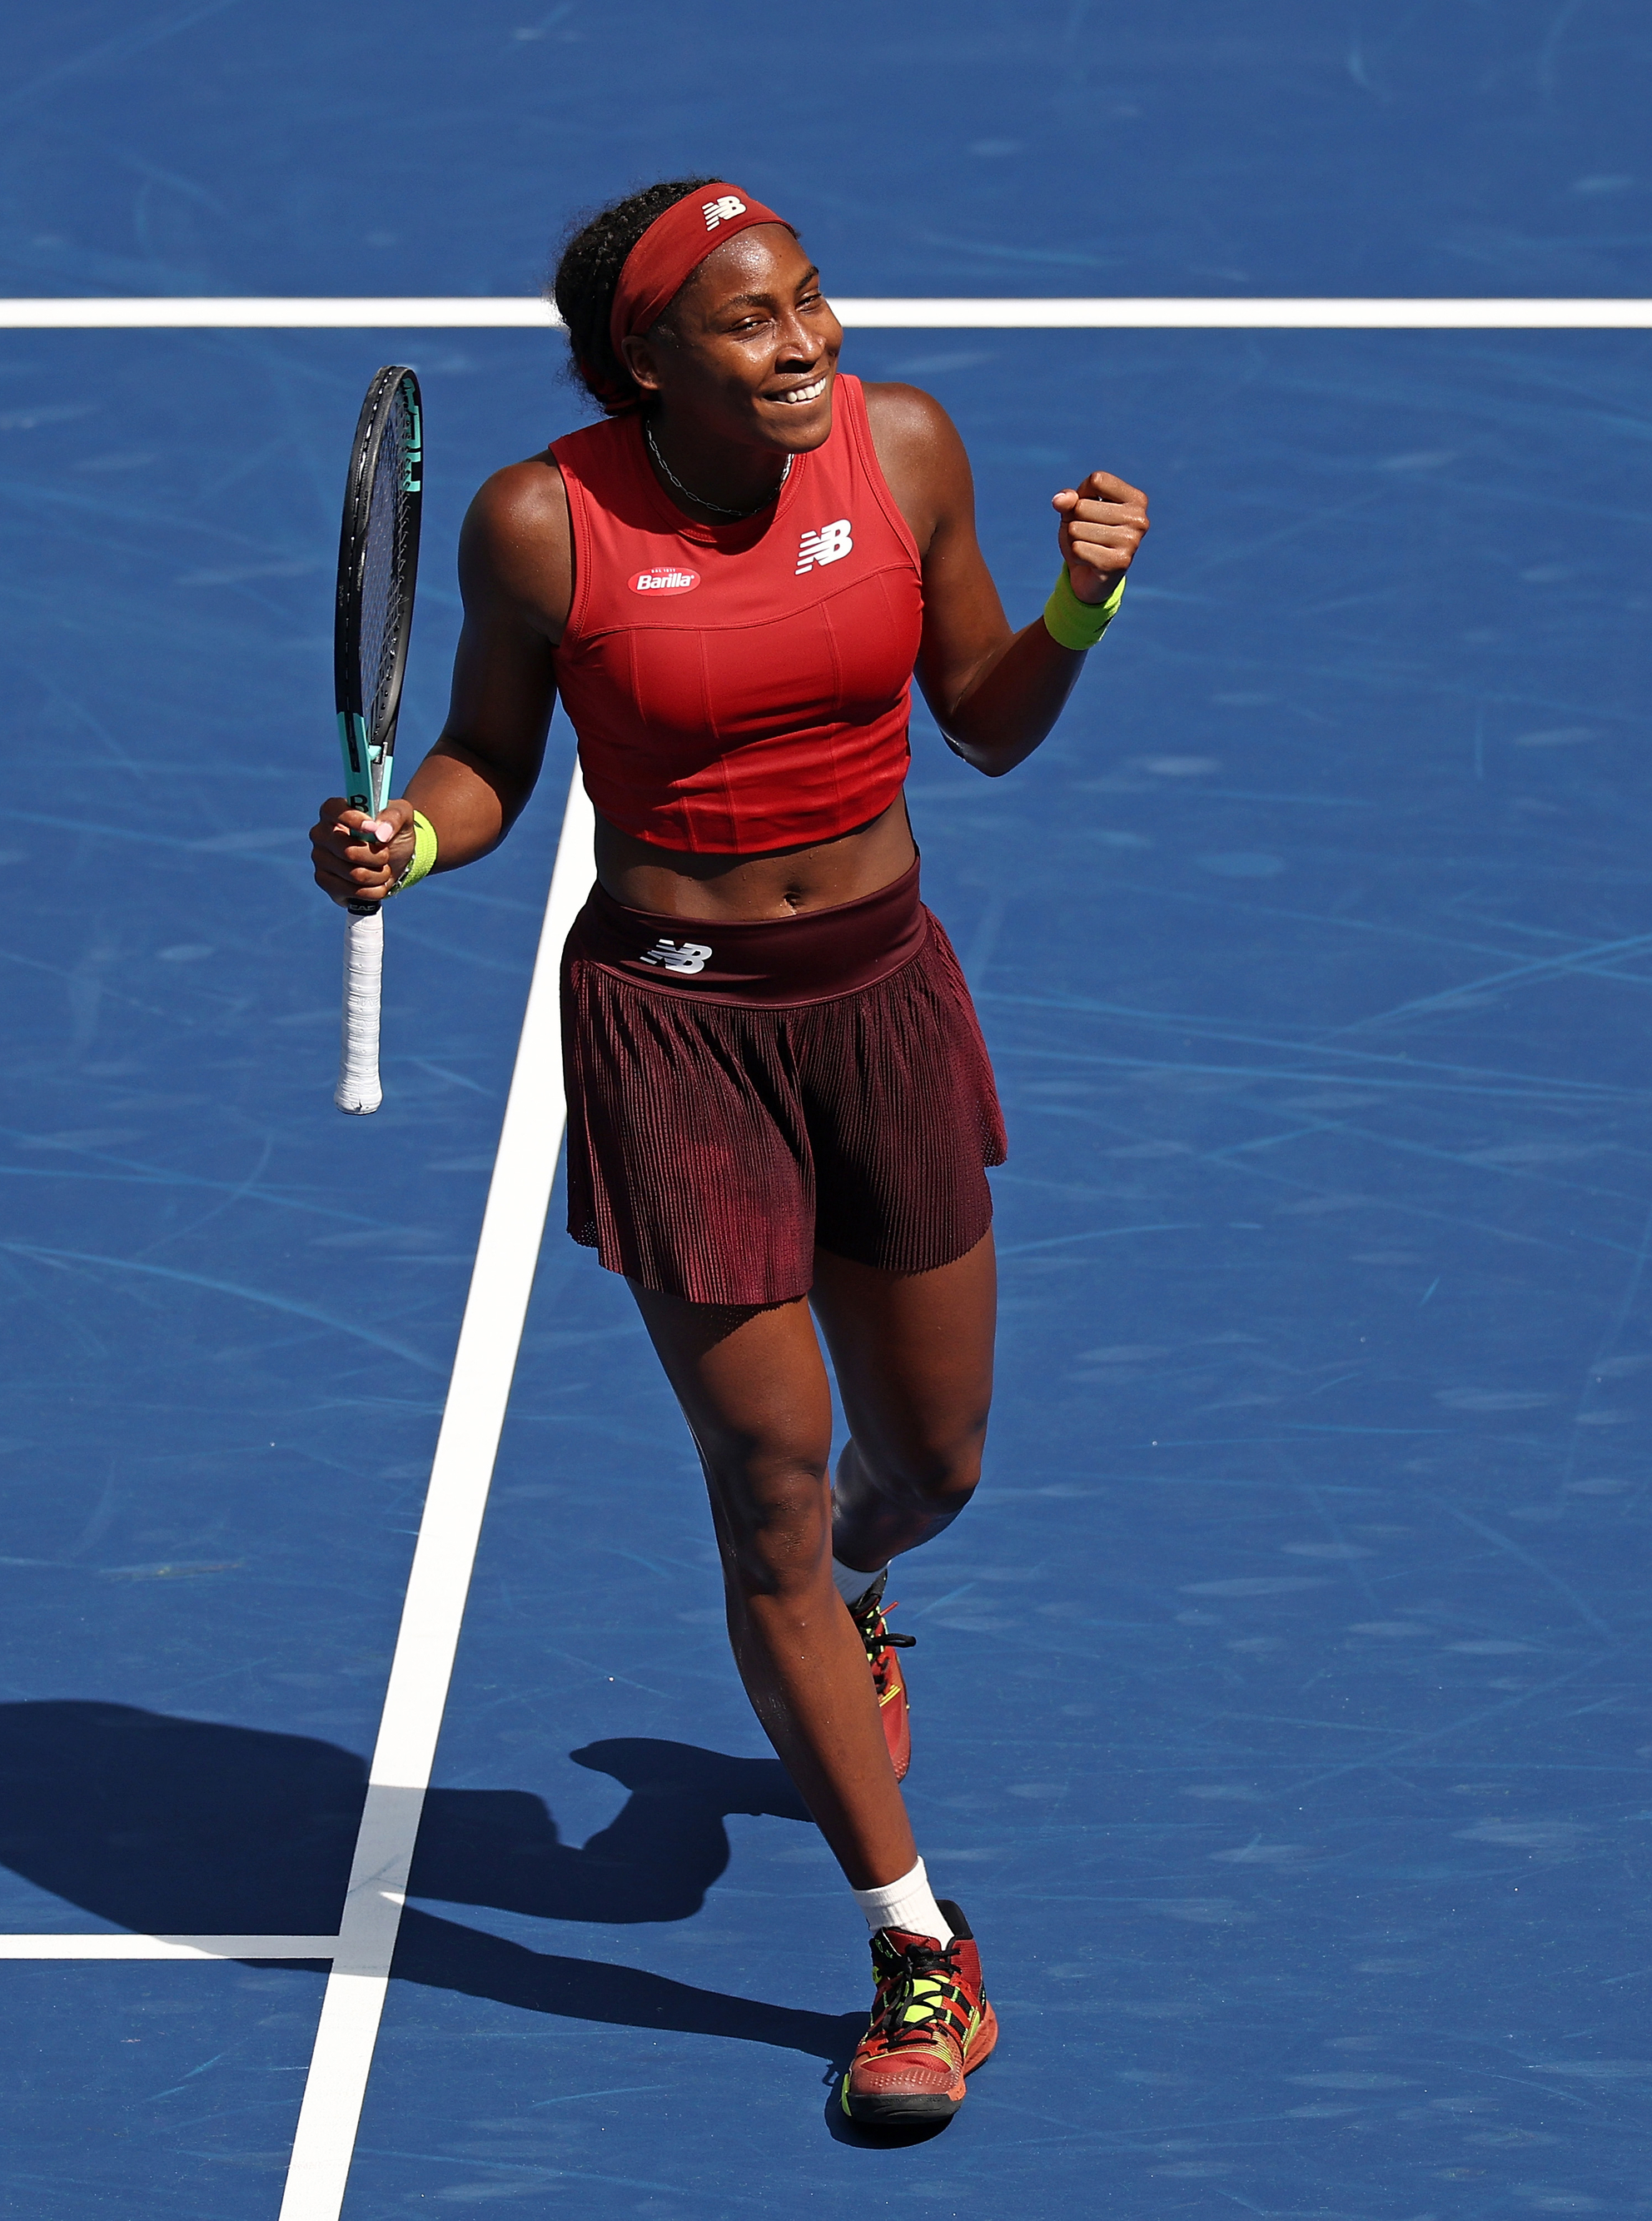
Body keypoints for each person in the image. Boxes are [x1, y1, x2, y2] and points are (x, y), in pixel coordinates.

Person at [308, 177, 1147, 2129]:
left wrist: (1083, 607)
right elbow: (491, 763)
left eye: (813, 302)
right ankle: (917, 1948)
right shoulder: (545, 520)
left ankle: (861, 1586)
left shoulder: (906, 446)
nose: (807, 343)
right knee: (762, 1479)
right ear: (645, 362)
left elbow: (987, 723)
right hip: (676, 1033)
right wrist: (407, 842)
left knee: (923, 1461)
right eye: (754, 321)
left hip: (881, 1008)